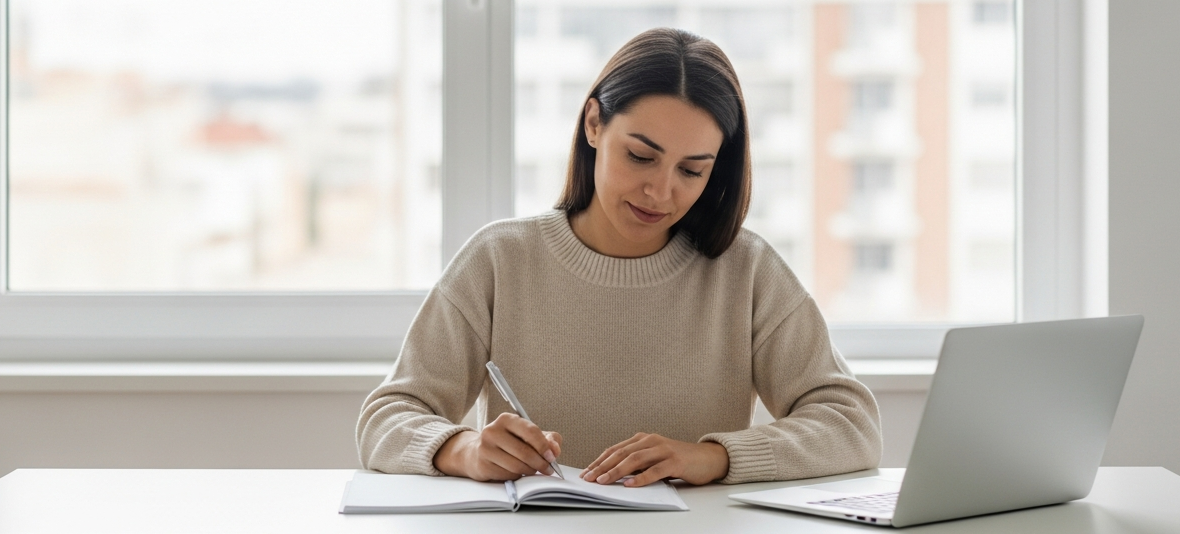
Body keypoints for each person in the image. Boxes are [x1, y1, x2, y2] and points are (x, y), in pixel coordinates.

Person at [357, 27, 880, 488]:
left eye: (692, 171)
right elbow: (388, 417)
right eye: (640, 156)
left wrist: (715, 457)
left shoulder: (746, 271)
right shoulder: (501, 260)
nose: (660, 191)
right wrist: (462, 450)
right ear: (593, 124)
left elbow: (852, 425)